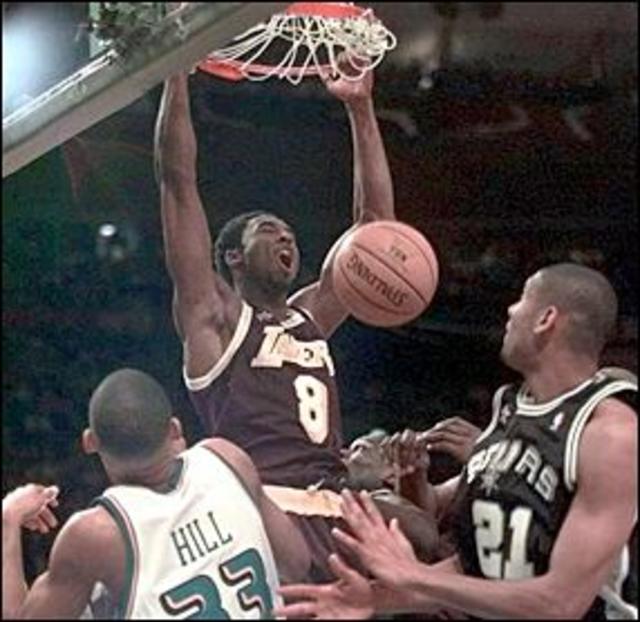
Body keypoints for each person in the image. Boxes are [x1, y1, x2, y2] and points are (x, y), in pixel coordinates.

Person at [154, 66, 441, 581]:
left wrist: (360, 107)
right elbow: (178, 185)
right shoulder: (214, 320)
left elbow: (376, 232)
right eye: (270, 232)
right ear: (233, 258)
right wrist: (176, 75)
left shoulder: (310, 317)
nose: (287, 240)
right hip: (265, 504)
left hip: (333, 500)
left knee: (425, 535)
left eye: (290, 233)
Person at [276, 263, 638, 619]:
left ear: (546, 319)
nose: (510, 310)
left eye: (523, 298)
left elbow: (560, 603)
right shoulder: (510, 410)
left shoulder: (609, 433)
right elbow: (476, 571)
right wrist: (371, 599)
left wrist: (413, 574)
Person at [2, 368, 310, 619]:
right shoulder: (226, 457)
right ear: (175, 430)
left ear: (90, 442)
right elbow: (297, 564)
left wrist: (8, 518)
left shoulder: (95, 535)